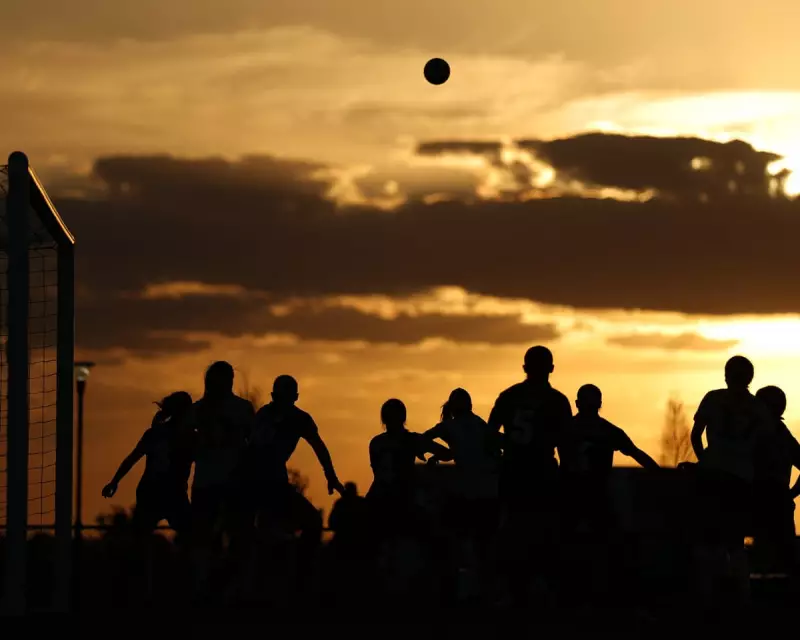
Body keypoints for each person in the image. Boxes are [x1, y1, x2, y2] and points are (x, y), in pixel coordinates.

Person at [487, 345, 573, 606]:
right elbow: (566, 445)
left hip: (514, 471)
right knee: (544, 532)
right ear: (551, 369)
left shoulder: (508, 396)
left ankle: (510, 589)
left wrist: (509, 450)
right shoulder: (557, 401)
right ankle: (540, 587)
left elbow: (489, 437)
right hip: (541, 472)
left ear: (524, 368)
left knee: (510, 531)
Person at [558, 384, 659, 605]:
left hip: (573, 496)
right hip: (590, 496)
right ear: (600, 405)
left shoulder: (566, 429)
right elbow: (637, 454)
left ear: (577, 404)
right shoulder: (607, 431)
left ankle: (572, 593)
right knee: (604, 546)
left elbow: (635, 453)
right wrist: (659, 474)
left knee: (569, 546)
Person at [245, 374, 344, 595]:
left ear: (295, 398)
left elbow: (319, 446)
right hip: (256, 484)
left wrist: (331, 476)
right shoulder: (264, 416)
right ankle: (257, 584)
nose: (283, 403)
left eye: (287, 398)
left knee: (311, 523)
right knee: (259, 535)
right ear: (273, 397)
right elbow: (253, 448)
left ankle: (301, 576)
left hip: (276, 485)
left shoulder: (300, 419)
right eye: (280, 398)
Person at [690, 355, 773, 608]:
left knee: (708, 537)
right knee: (735, 540)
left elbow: (696, 435)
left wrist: (705, 460)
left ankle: (707, 594)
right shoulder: (759, 408)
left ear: (726, 374)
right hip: (741, 479)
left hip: (712, 475)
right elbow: (765, 447)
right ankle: (742, 596)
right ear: (750, 377)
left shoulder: (713, 398)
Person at [366, 399, 453, 602]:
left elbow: (379, 471)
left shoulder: (376, 442)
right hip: (402, 500)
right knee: (436, 539)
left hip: (377, 499)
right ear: (403, 418)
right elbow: (447, 453)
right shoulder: (411, 440)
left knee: (373, 549)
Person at [424, 388, 501, 602]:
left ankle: (463, 591)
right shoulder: (480, 425)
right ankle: (484, 591)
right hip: (488, 493)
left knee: (458, 544)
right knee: (484, 546)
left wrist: (439, 454)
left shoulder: (449, 426)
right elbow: (495, 447)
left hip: (468, 494)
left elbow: (423, 440)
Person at [187, 361, 256, 600]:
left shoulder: (236, 409)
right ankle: (210, 585)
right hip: (213, 481)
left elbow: (252, 444)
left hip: (228, 481)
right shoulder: (200, 410)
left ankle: (224, 586)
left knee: (229, 538)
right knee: (209, 539)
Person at [102, 391, 195, 537]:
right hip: (157, 491)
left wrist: (114, 481)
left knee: (188, 534)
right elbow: (132, 458)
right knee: (187, 534)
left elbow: (132, 458)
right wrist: (114, 481)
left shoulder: (184, 436)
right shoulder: (163, 434)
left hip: (166, 492)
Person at [752, 386, 800, 578]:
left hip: (763, 499)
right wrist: (791, 493)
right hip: (773, 499)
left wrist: (791, 493)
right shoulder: (782, 434)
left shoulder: (761, 433)